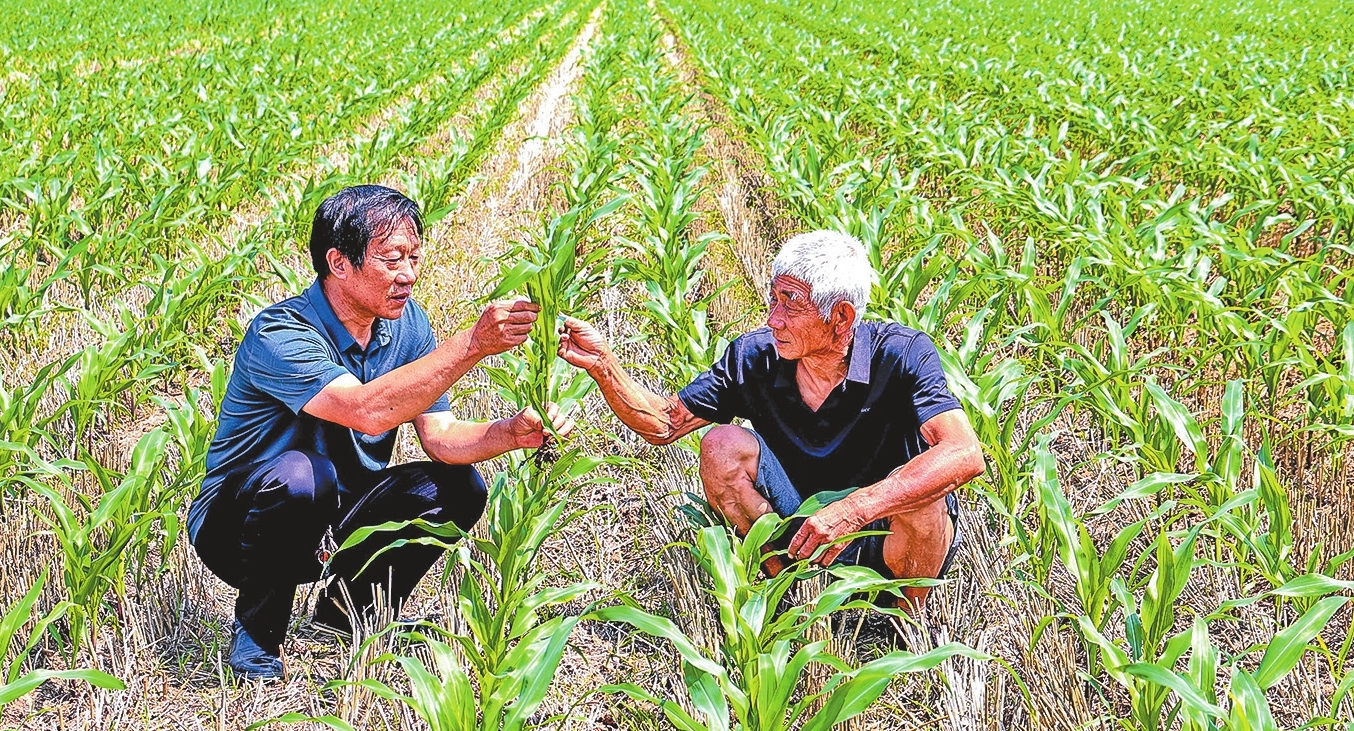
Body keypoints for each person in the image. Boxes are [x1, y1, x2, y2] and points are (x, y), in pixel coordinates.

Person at [187, 184, 566, 680]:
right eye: (391, 259)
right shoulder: (280, 332)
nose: (408, 275)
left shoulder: (407, 326)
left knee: (459, 486)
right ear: (339, 263)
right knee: (303, 475)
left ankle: (349, 612)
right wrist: (472, 345)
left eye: (414, 257)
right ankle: (257, 640)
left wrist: (511, 433)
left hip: (340, 513)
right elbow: (367, 411)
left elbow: (440, 435)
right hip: (243, 523)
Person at [558, 230, 983, 604]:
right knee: (721, 444)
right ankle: (789, 591)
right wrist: (603, 365)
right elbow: (666, 423)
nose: (773, 319)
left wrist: (855, 509)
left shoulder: (901, 354)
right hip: (798, 522)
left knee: (924, 493)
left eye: (791, 305)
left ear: (841, 317)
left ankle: (903, 618)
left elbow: (964, 453)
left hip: (883, 530)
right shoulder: (755, 357)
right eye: (773, 300)